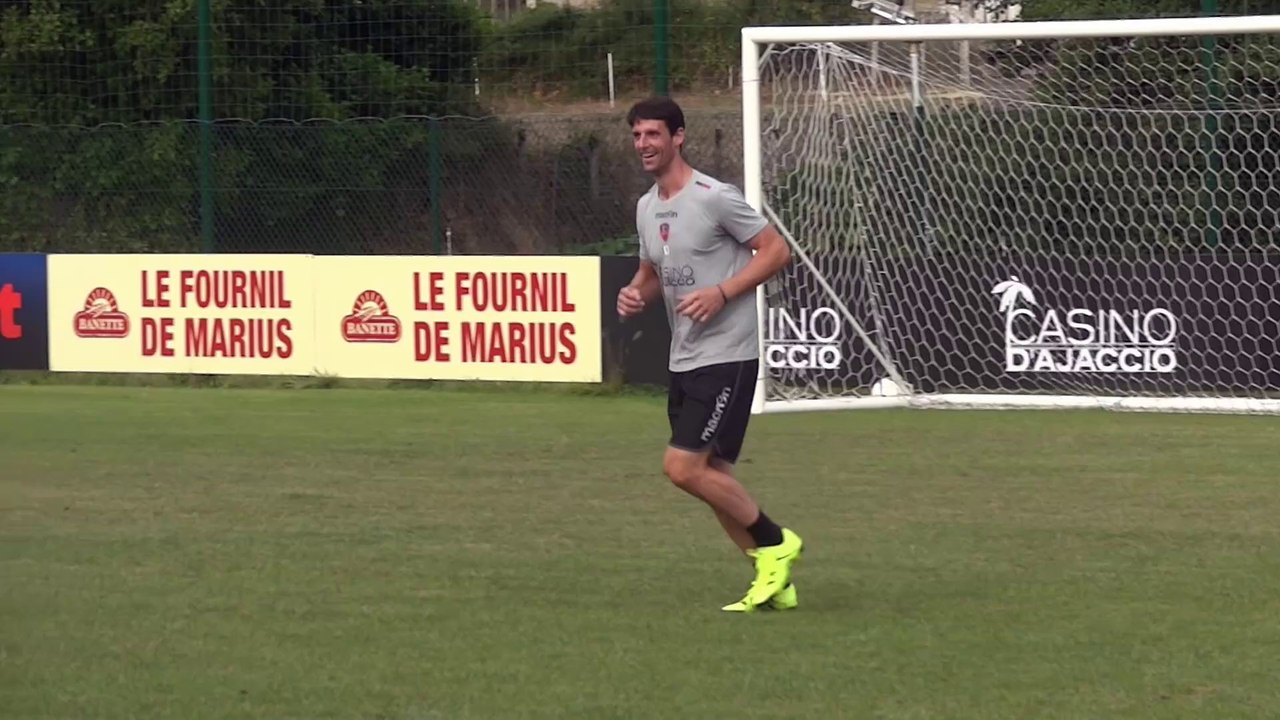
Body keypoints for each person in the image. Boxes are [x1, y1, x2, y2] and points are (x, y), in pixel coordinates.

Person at [616, 96, 804, 613]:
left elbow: (776, 251)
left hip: (727, 354)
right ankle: (773, 580)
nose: (643, 144)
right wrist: (635, 293)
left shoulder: (715, 197)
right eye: (636, 136)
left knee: (682, 467)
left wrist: (723, 292)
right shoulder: (646, 207)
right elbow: (652, 273)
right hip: (685, 356)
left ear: (678, 137)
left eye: (653, 134)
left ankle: (776, 542)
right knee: (712, 476)